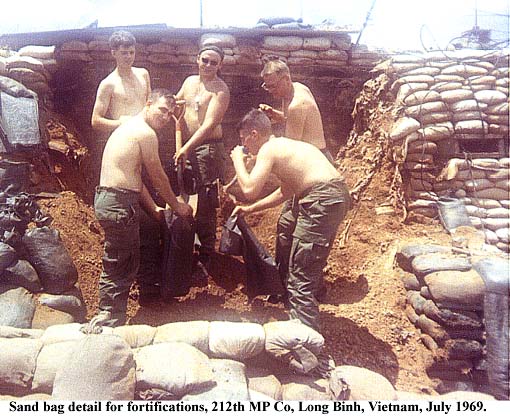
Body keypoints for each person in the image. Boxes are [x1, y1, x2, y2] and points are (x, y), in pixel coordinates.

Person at [231, 109, 350, 332]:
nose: (244, 146)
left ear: (254, 134)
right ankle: (301, 295)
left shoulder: (268, 149)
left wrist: (237, 161)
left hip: (320, 200)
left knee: (301, 277)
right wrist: (251, 209)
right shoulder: (285, 146)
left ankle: (305, 339)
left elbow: (249, 189)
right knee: (288, 227)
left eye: (244, 140)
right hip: (332, 195)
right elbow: (285, 191)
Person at [91, 89, 193, 327]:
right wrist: (177, 205)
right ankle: (109, 317)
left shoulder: (129, 128)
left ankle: (126, 305)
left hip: (114, 199)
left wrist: (155, 208)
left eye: (169, 114)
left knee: (126, 252)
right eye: (162, 110)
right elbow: (157, 176)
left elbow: (135, 178)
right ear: (148, 104)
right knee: (121, 261)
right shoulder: (145, 133)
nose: (165, 117)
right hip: (119, 202)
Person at [174, 45, 230, 269]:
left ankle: (206, 251)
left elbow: (208, 126)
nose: (208, 65)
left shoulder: (220, 91)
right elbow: (177, 103)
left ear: (220, 65)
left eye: (213, 62)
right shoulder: (189, 82)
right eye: (205, 60)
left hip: (208, 150)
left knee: (206, 200)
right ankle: (189, 243)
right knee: (188, 192)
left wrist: (186, 148)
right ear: (197, 59)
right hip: (188, 147)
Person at [258, 57, 334, 163]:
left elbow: (290, 150)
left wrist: (267, 141)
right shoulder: (297, 88)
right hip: (315, 156)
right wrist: (273, 114)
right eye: (267, 86)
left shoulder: (296, 105)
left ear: (286, 79)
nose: (270, 91)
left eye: (273, 86)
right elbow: (293, 121)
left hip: (317, 161)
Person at [91, 30, 151, 135]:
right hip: (124, 135)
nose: (129, 57)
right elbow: (96, 121)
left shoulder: (143, 74)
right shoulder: (109, 84)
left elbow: (149, 104)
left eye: (131, 52)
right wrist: (120, 123)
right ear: (114, 53)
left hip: (146, 132)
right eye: (124, 53)